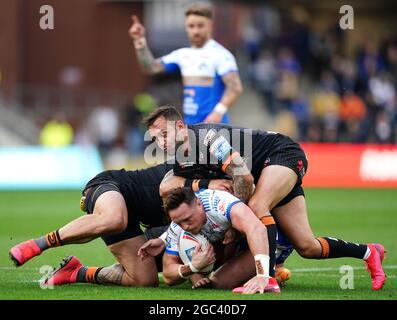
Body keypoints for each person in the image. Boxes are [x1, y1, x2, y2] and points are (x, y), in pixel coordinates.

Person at [144, 106, 386, 291]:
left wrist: (234, 225)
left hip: (281, 154)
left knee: (257, 205)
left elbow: (244, 178)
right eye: (156, 139)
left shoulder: (208, 138)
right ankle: (369, 252)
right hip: (265, 175)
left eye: (165, 133)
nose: (162, 142)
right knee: (307, 247)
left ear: (182, 127)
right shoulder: (181, 159)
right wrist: (206, 184)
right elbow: (166, 187)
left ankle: (267, 276)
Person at [9, 162, 234, 287]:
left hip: (134, 222)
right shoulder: (193, 172)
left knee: (144, 280)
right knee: (114, 219)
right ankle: (39, 244)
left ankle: (76, 272)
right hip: (111, 186)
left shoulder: (211, 206)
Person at [141, 187, 280, 294]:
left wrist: (263, 274)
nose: (185, 227)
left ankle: (270, 273)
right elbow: (168, 275)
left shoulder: (219, 203)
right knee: (218, 284)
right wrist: (192, 267)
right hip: (234, 246)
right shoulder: (177, 226)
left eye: (187, 219)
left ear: (198, 203)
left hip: (265, 239)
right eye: (179, 222)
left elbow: (257, 229)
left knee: (302, 246)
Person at [128, 3, 243, 124]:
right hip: (191, 127)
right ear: (186, 27)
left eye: (200, 26)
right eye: (191, 26)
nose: (196, 31)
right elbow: (150, 67)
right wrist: (139, 41)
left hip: (215, 127)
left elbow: (235, 87)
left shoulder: (221, 55)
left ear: (210, 26)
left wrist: (218, 112)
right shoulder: (182, 55)